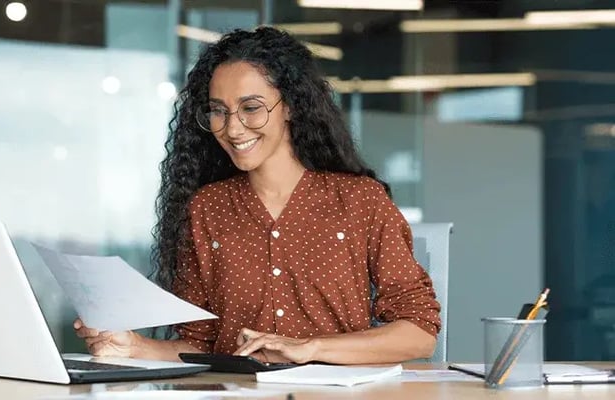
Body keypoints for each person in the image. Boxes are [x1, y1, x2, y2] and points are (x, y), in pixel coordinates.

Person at [74, 27, 440, 365]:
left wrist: (311, 348)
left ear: (291, 105)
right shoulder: (206, 209)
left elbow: (419, 332)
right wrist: (135, 347)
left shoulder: (360, 200)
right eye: (218, 111)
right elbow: (201, 346)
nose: (232, 128)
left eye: (251, 108)